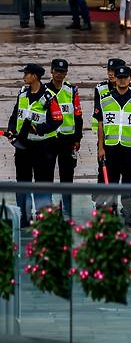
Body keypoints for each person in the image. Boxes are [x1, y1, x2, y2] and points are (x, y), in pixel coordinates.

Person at [6, 64, 63, 227]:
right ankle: (23, 216)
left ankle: (44, 217)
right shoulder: (22, 93)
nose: (24, 76)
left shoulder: (49, 97)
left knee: (43, 182)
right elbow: (15, 114)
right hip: (23, 146)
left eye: (27, 74)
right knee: (22, 181)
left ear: (35, 76)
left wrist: (38, 129)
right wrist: (11, 130)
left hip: (44, 147)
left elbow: (57, 120)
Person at [95, 66, 131, 227]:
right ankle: (110, 213)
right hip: (111, 148)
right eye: (119, 77)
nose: (122, 80)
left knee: (129, 182)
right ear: (115, 79)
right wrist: (100, 148)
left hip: (130, 149)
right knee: (110, 182)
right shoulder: (105, 99)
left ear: (130, 79)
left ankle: (128, 214)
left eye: (125, 77)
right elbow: (101, 124)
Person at [46, 59, 83, 219]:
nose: (59, 74)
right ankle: (46, 210)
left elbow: (78, 115)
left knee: (67, 176)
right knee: (46, 175)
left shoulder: (71, 90)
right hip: (49, 139)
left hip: (67, 140)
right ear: (51, 71)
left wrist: (77, 138)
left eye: (62, 72)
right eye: (57, 71)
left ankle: (67, 210)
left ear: (66, 73)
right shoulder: (44, 90)